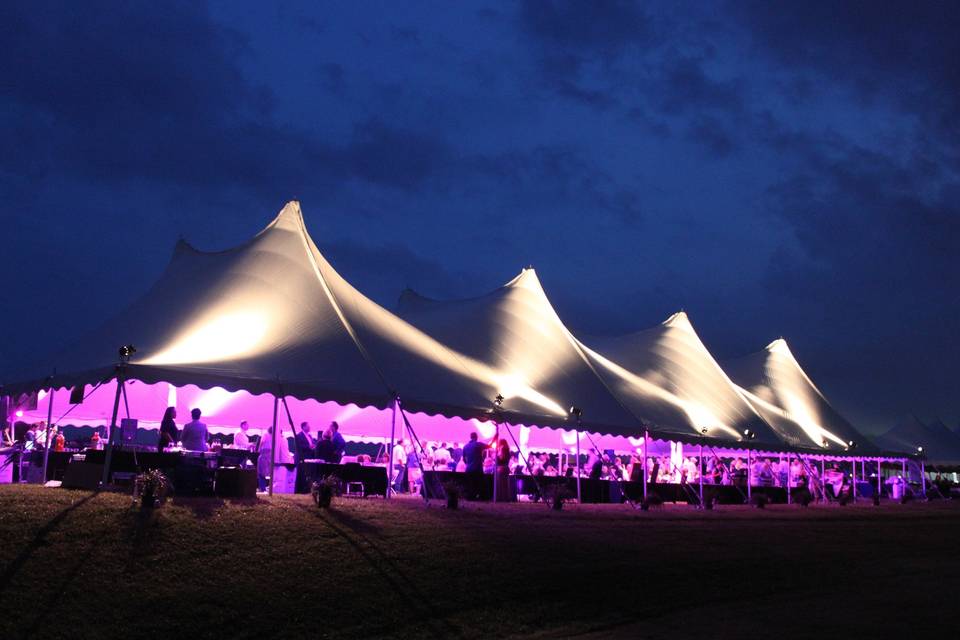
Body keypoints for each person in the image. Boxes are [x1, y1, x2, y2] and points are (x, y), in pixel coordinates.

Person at [462, 432, 489, 500]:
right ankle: (480, 497)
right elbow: (489, 446)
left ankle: (470, 497)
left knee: (470, 484)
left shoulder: (465, 446)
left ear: (470, 437)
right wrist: (495, 436)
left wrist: (468, 464)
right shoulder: (478, 444)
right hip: (477, 468)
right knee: (479, 484)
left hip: (469, 469)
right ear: (476, 437)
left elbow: (464, 459)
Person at [294, 422, 315, 494]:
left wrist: (313, 447)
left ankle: (305, 490)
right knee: (300, 475)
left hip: (308, 458)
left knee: (306, 475)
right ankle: (298, 491)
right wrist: (308, 447)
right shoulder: (299, 436)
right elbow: (298, 447)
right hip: (301, 458)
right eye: (308, 426)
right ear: (303, 427)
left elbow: (311, 445)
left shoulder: (310, 436)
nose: (309, 427)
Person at [256, 427, 273, 492]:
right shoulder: (273, 436)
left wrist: (258, 449)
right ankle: (267, 487)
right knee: (268, 472)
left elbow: (262, 442)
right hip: (270, 454)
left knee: (260, 472)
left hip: (264, 453)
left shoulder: (265, 434)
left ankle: (262, 488)